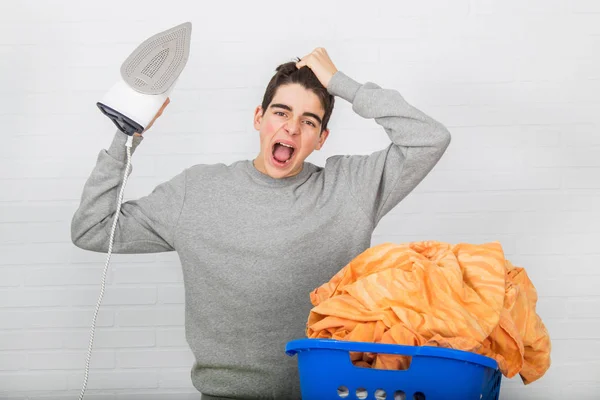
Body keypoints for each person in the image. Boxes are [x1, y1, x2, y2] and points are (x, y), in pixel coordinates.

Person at [71, 47, 452, 400]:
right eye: (281, 112)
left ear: (321, 139)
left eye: (308, 121)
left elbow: (430, 138)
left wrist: (341, 84)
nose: (291, 128)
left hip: (331, 392)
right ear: (259, 117)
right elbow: (93, 228)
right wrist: (126, 134)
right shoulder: (197, 190)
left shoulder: (351, 187)